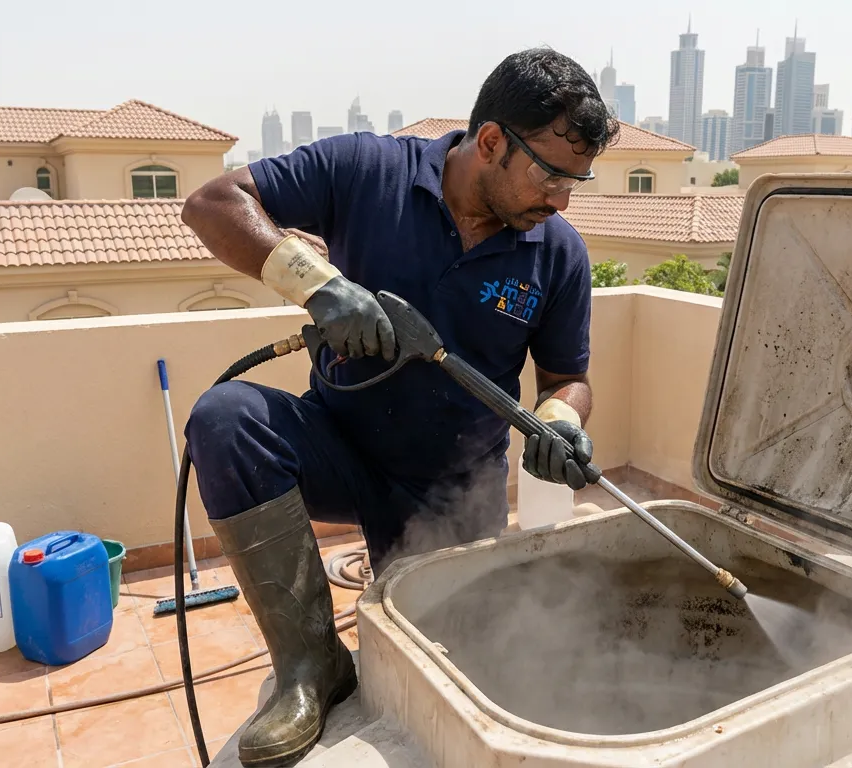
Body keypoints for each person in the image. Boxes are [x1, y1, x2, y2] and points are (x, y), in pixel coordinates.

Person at [180, 47, 618, 767]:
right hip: (341, 450)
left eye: (578, 179)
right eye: (552, 172)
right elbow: (213, 204)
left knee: (454, 678)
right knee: (226, 417)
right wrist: (316, 285)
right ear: (490, 142)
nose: (563, 199)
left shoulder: (556, 253)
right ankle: (310, 667)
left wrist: (562, 420)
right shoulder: (367, 171)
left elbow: (568, 376)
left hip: (454, 492)